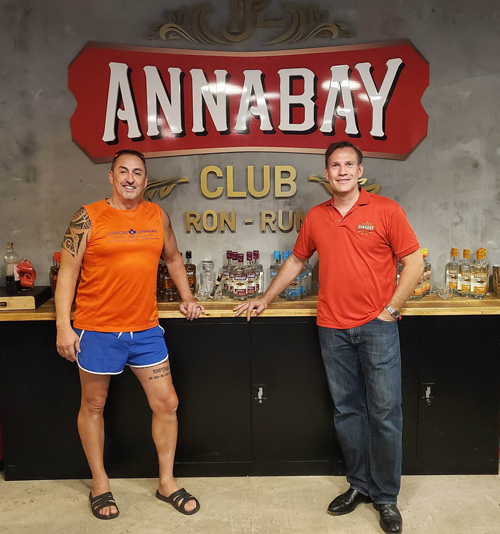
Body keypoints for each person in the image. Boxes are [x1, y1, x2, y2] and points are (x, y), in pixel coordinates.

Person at [234, 141, 423, 534]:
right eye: (335, 165)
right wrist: (266, 297)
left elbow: (413, 261)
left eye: (349, 164)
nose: (342, 171)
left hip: (377, 327)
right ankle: (359, 485)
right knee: (347, 411)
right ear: (327, 173)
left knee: (385, 414)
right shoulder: (317, 217)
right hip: (332, 328)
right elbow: (297, 259)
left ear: (360, 171)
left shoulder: (386, 210)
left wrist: (391, 310)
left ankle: (385, 497)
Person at [55, 149, 204, 520]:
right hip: (96, 329)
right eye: (123, 171)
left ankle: (166, 482)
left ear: (145, 180)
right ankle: (100, 483)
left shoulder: (157, 215)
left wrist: (187, 297)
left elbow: (173, 258)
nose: (130, 178)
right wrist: (63, 325)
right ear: (111, 176)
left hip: (146, 330)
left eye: (137, 172)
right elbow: (68, 273)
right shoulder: (87, 217)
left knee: (167, 403)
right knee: (93, 405)